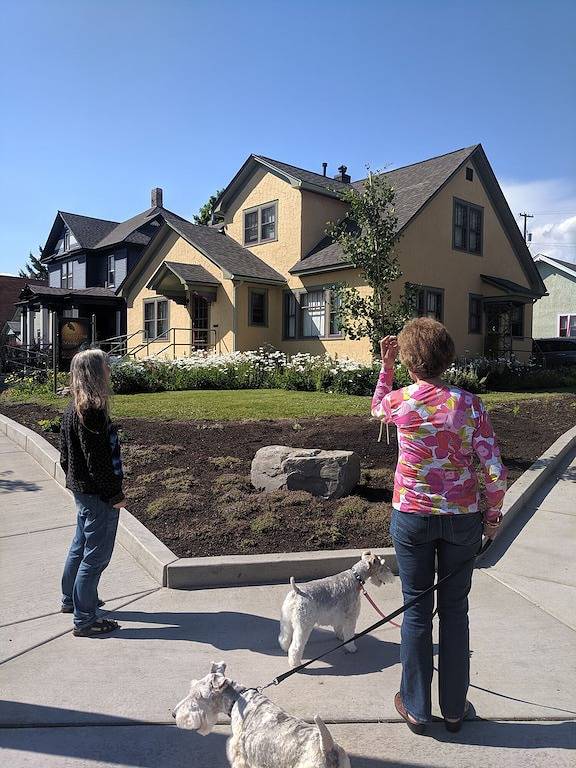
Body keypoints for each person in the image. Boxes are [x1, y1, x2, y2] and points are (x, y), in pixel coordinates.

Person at [371, 318, 507, 734]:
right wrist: (492, 517)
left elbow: (376, 407)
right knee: (454, 612)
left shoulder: (400, 402)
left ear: (410, 361)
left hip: (412, 517)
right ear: (446, 357)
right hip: (461, 520)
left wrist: (386, 367)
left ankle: (415, 707)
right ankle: (453, 709)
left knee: (415, 611)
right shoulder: (469, 405)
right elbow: (495, 472)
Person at [60, 348, 125, 637]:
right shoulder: (92, 413)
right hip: (98, 495)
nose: (109, 370)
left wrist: (77, 482)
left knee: (80, 546)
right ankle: (85, 619)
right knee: (96, 557)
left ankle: (71, 600)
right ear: (96, 373)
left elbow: (65, 456)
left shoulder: (72, 409)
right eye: (106, 366)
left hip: (82, 491)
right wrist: (115, 495)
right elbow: (98, 463)